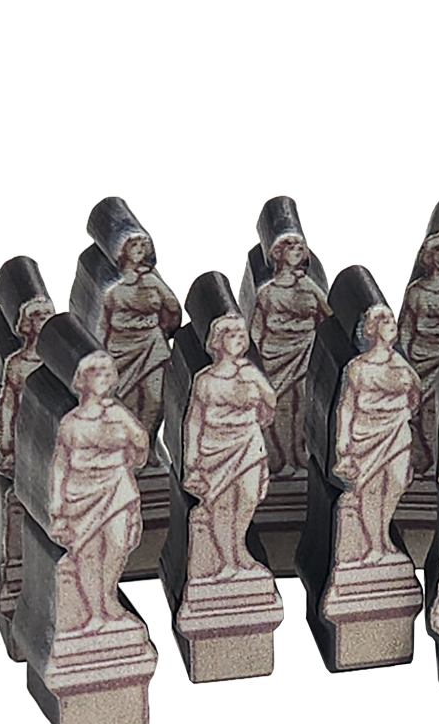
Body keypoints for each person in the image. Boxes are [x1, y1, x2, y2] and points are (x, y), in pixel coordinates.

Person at [49, 351, 149, 632]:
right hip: (82, 494)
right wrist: (57, 506)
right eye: (96, 373)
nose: (104, 378)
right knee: (88, 553)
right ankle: (94, 613)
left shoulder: (118, 413)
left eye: (108, 373)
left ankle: (107, 598)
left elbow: (141, 442)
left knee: (118, 544)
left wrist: (130, 458)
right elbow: (60, 465)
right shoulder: (71, 422)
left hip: (117, 488)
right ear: (83, 380)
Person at [182, 315, 277, 580]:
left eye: (240, 334)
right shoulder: (205, 379)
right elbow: (194, 421)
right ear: (218, 341)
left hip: (248, 443)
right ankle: (225, 560)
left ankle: (239, 550)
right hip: (216, 449)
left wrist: (257, 403)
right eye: (231, 334)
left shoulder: (249, 372)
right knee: (221, 505)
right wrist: (192, 460)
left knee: (249, 496)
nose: (238, 339)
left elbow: (270, 401)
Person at [333, 305, 422, 565]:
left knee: (396, 483)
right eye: (385, 321)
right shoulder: (358, 367)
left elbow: (415, 396)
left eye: (393, 320)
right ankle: (373, 545)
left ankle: (383, 537)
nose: (392, 324)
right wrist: (344, 442)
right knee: (370, 490)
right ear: (373, 329)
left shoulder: (402, 365)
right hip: (367, 436)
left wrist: (399, 414)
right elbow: (347, 406)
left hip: (397, 433)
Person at [249, 233, 331, 473]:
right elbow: (256, 331)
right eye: (290, 246)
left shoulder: (309, 286)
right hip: (276, 356)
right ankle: (278, 457)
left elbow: (328, 317)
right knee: (279, 406)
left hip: (305, 351)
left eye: (300, 247)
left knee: (302, 405)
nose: (297, 250)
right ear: (278, 254)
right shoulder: (267, 292)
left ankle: (298, 454)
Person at [102, 233, 181, 464]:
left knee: (155, 398)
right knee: (128, 400)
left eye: (143, 245)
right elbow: (103, 326)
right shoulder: (112, 293)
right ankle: (131, 450)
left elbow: (173, 308)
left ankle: (148, 446)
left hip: (153, 345)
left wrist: (162, 330)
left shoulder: (153, 282)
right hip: (122, 350)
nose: (139, 249)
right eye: (134, 245)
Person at [398, 231, 439, 474]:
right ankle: (423, 459)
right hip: (421, 358)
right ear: (429, 257)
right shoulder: (417, 291)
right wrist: (404, 361)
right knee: (419, 409)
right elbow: (406, 328)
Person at [0, 295, 55, 476]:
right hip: (26, 431)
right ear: (28, 323)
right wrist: (7, 446)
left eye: (47, 313)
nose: (43, 317)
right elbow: (8, 406)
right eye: (37, 314)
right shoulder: (18, 364)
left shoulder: (59, 360)